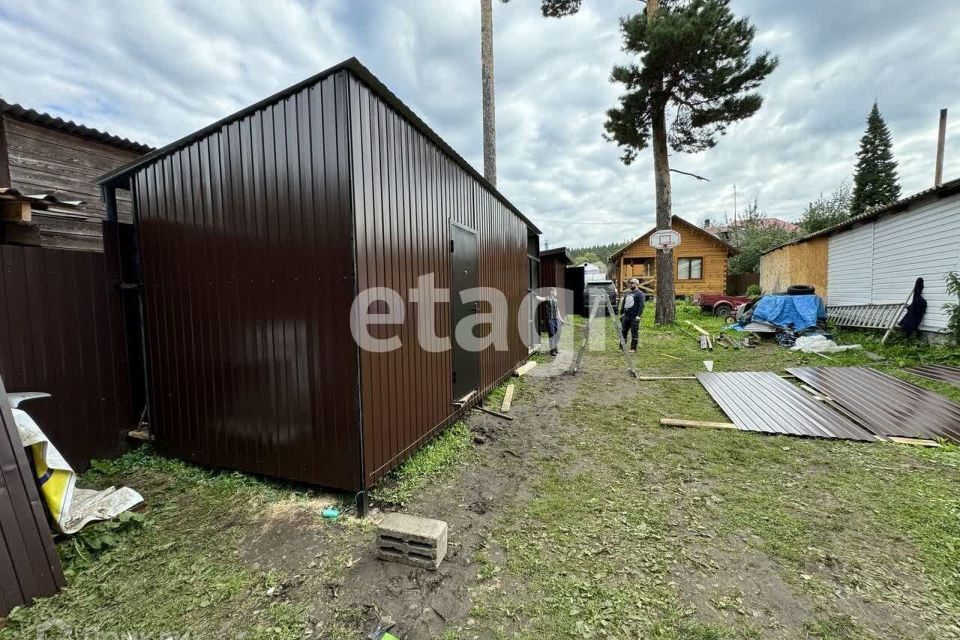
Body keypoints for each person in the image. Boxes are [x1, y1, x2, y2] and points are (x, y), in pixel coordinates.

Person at [536, 288, 566, 356]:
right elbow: (541, 298)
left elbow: (557, 310)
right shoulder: (547, 298)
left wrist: (561, 320)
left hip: (556, 319)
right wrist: (534, 295)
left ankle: (555, 348)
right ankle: (552, 350)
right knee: (552, 334)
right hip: (550, 319)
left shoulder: (556, 300)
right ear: (551, 292)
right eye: (555, 292)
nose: (556, 293)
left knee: (557, 334)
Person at [619, 278, 645, 352]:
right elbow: (624, 303)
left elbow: (641, 305)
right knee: (623, 332)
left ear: (636, 284)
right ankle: (622, 347)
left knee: (634, 332)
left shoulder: (640, 294)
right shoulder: (628, 293)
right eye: (629, 283)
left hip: (634, 316)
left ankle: (633, 348)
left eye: (632, 283)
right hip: (626, 316)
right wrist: (622, 313)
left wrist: (639, 315)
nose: (630, 284)